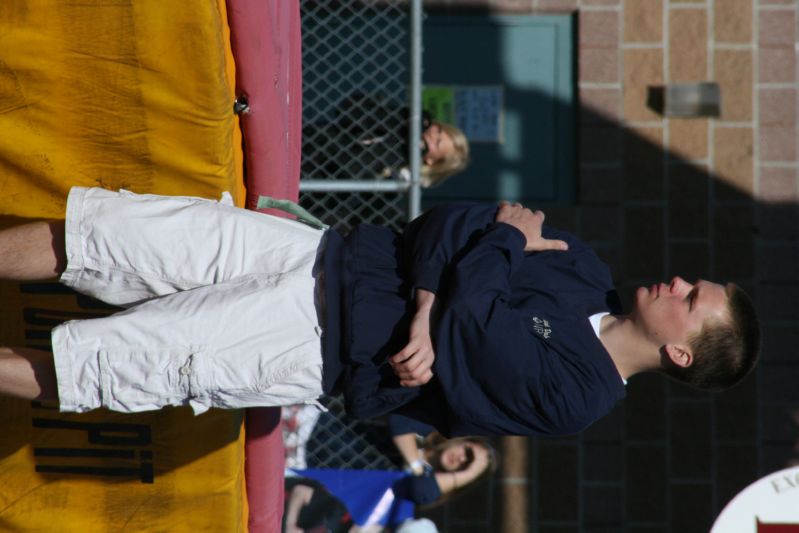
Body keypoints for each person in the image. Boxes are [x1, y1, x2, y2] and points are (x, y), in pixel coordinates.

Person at [0, 187, 760, 438]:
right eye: (693, 281)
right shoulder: (587, 270)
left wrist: (487, 255)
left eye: (692, 301)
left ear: (681, 354)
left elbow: (473, 335)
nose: (678, 282)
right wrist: (431, 302)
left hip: (308, 346)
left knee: (101, 363)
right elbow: (453, 221)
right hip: (318, 253)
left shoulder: (576, 397)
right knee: (106, 234)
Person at [302, 94, 469, 187]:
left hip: (312, 173)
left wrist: (404, 150)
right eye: (438, 130)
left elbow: (348, 167)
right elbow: (348, 108)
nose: (432, 135)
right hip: (311, 137)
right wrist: (403, 120)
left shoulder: (399, 179)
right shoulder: (401, 123)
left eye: (437, 143)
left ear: (432, 161)